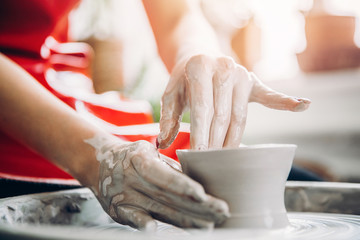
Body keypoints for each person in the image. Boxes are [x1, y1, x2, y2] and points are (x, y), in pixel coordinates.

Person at [0, 0, 311, 230]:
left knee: (286, 182)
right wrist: (94, 157)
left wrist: (196, 54)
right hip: (16, 114)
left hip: (61, 85)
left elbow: (176, 15)